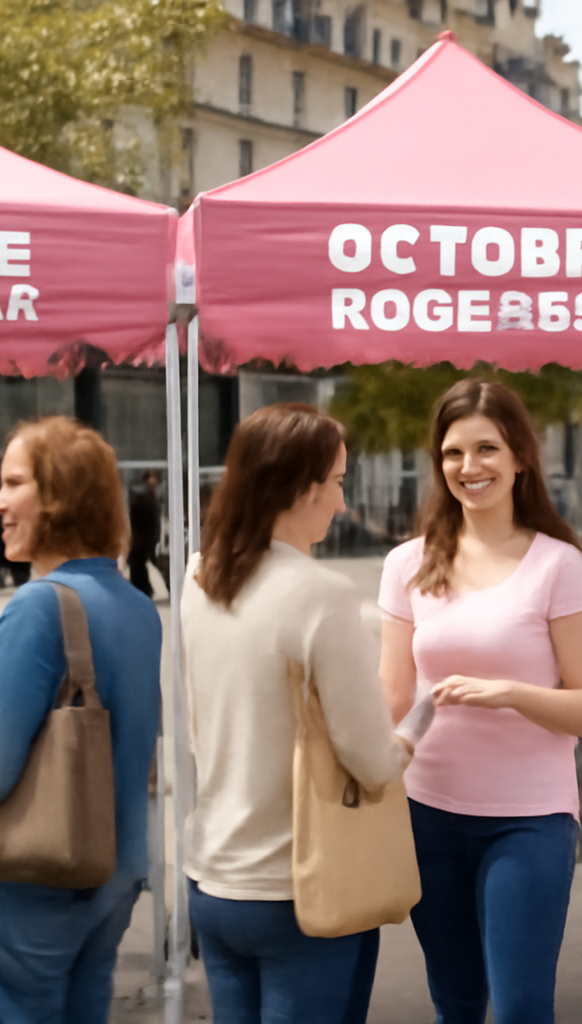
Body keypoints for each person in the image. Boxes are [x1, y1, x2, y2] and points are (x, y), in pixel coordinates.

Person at [182, 403, 413, 1024]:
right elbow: (370, 761)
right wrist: (419, 726)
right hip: (300, 888)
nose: (341, 503)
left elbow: (199, 720)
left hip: (213, 878)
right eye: (338, 482)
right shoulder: (323, 595)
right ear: (300, 487)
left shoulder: (199, 576)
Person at [379, 378, 582, 1024]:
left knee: (523, 1007)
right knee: (455, 1002)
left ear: (521, 457)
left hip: (529, 818)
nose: (469, 468)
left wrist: (510, 694)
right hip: (426, 813)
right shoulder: (406, 565)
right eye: (453, 453)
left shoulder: (558, 566)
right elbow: (391, 697)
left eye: (487, 449)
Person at [0, 416, 160, 1024]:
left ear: (59, 496)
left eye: (14, 483)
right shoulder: (136, 606)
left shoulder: (38, 607)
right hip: (113, 873)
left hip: (34, 880)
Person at [127, 469, 169, 598]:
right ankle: (144, 589)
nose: (153, 482)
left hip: (149, 540)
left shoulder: (152, 499)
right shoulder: (142, 499)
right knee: (138, 565)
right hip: (142, 540)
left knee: (157, 565)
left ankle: (148, 588)